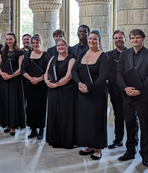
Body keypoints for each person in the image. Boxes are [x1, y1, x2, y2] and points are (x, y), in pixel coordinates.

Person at [116, 29, 148, 168]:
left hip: (143, 95)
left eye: (137, 38)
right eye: (133, 38)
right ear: (129, 40)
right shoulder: (124, 54)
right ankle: (130, 151)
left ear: (143, 38)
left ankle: (145, 155)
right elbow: (118, 72)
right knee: (129, 124)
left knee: (144, 126)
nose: (135, 40)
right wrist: (125, 88)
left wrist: (140, 90)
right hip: (127, 95)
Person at [71, 30, 110, 160]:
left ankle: (98, 148)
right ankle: (89, 146)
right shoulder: (83, 53)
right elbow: (74, 70)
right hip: (82, 92)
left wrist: (89, 88)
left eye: (95, 39)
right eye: (90, 39)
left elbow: (102, 77)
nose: (92, 41)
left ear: (99, 41)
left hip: (97, 93)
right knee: (86, 120)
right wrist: (79, 84)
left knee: (97, 121)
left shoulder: (104, 57)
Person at [106, 30, 137, 149]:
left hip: (129, 90)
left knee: (132, 117)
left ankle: (134, 140)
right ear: (113, 40)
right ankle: (118, 139)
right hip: (115, 90)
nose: (118, 40)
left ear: (125, 39)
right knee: (118, 116)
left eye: (120, 38)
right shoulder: (108, 55)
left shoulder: (132, 53)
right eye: (116, 38)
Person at [45, 38, 77, 148]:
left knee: (65, 115)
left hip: (66, 92)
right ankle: (55, 139)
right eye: (58, 46)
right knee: (54, 114)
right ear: (56, 47)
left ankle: (66, 140)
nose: (60, 47)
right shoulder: (53, 58)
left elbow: (68, 76)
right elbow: (46, 72)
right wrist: (46, 81)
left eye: (63, 45)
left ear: (67, 46)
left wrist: (56, 84)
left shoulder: (71, 59)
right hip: (53, 91)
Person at [0, 33, 25, 136]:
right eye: (7, 39)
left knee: (13, 103)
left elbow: (21, 68)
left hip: (14, 81)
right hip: (4, 81)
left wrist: (11, 76)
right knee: (5, 102)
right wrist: (2, 74)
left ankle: (13, 126)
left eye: (11, 39)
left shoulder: (19, 52)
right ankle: (7, 124)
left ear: (14, 40)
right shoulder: (3, 51)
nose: (9, 41)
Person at [21, 34, 50, 140]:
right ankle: (33, 129)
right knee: (31, 107)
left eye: (37, 43)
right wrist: (31, 79)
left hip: (41, 85)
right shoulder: (27, 55)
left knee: (41, 107)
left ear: (40, 43)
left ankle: (41, 129)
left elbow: (48, 70)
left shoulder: (46, 55)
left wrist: (38, 79)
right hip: (30, 84)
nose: (35, 45)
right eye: (33, 43)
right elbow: (23, 69)